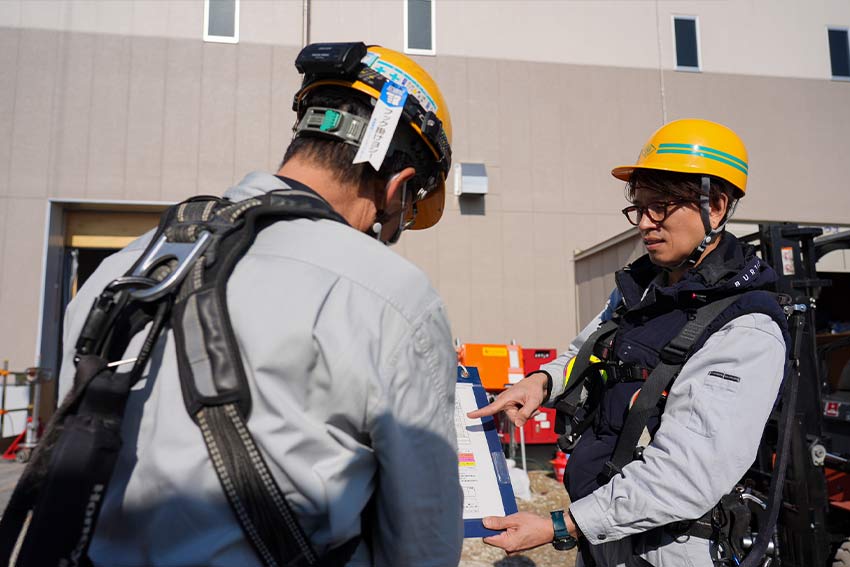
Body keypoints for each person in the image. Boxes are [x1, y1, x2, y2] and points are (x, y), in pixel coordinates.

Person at [52, 43, 462, 566]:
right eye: (402, 217)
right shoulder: (392, 296)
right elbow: (422, 542)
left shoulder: (122, 269)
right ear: (399, 186)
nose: (390, 232)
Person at [469, 119, 789, 567]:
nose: (644, 223)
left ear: (714, 207)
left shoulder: (745, 329)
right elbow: (586, 348)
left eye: (659, 207)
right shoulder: (639, 290)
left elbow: (687, 475)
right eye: (638, 208)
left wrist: (560, 525)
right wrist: (541, 382)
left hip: (670, 547)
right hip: (603, 532)